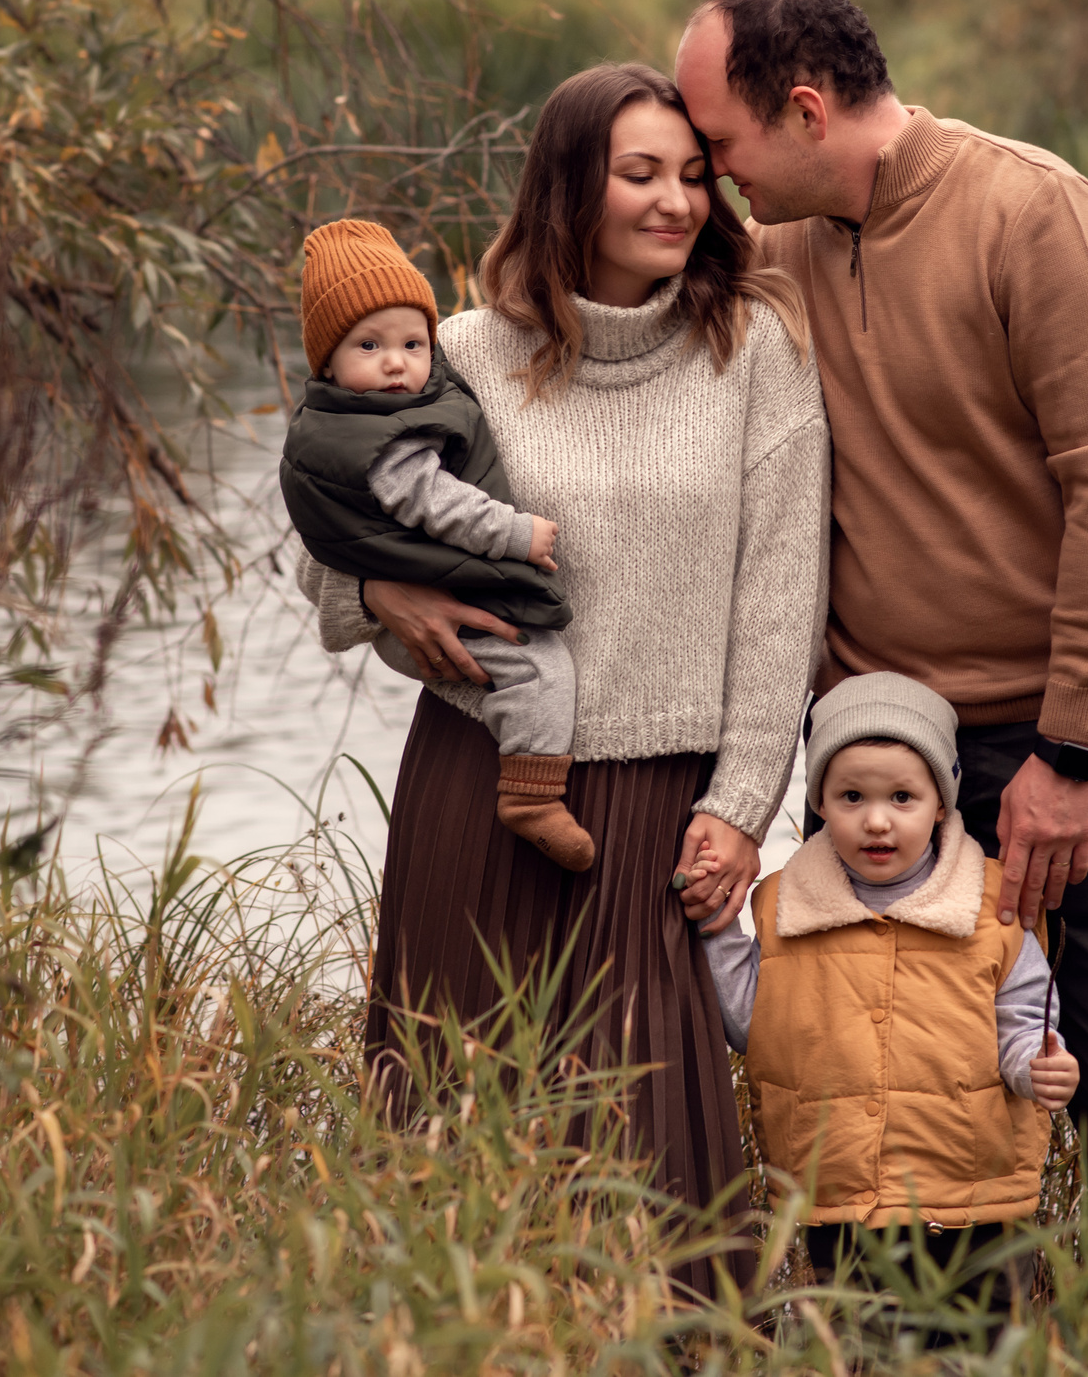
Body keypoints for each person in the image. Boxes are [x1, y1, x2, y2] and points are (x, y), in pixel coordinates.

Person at [673, 0, 1088, 1357]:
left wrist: (1070, 751)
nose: (714, 179)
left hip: (1060, 746)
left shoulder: (1037, 217)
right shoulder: (783, 250)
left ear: (805, 112)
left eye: (722, 145)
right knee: (895, 1135)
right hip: (876, 760)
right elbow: (585, 334)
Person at [294, 63, 826, 1274]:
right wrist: (380, 593)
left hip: (660, 806)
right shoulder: (458, 355)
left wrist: (745, 805)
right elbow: (327, 544)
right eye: (640, 174)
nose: (675, 201)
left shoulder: (756, 350)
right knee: (452, 1122)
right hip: (476, 786)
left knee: (656, 1147)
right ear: (568, 185)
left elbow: (781, 598)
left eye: (692, 175)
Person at [697, 673, 1078, 1309]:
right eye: (852, 796)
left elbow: (1021, 1014)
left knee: (980, 1345)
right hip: (839, 1197)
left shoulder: (993, 906)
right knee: (860, 1343)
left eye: (903, 797)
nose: (877, 821)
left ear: (941, 803)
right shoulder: (782, 905)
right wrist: (716, 927)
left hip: (973, 1196)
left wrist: (1036, 1065)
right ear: (820, 802)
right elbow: (751, 1025)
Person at [279, 218, 591, 870]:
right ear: (327, 362)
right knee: (537, 667)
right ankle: (531, 795)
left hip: (451, 611)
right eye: (369, 345)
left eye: (413, 343)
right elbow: (435, 503)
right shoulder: (388, 436)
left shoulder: (369, 411)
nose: (397, 362)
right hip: (449, 636)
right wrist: (516, 534)